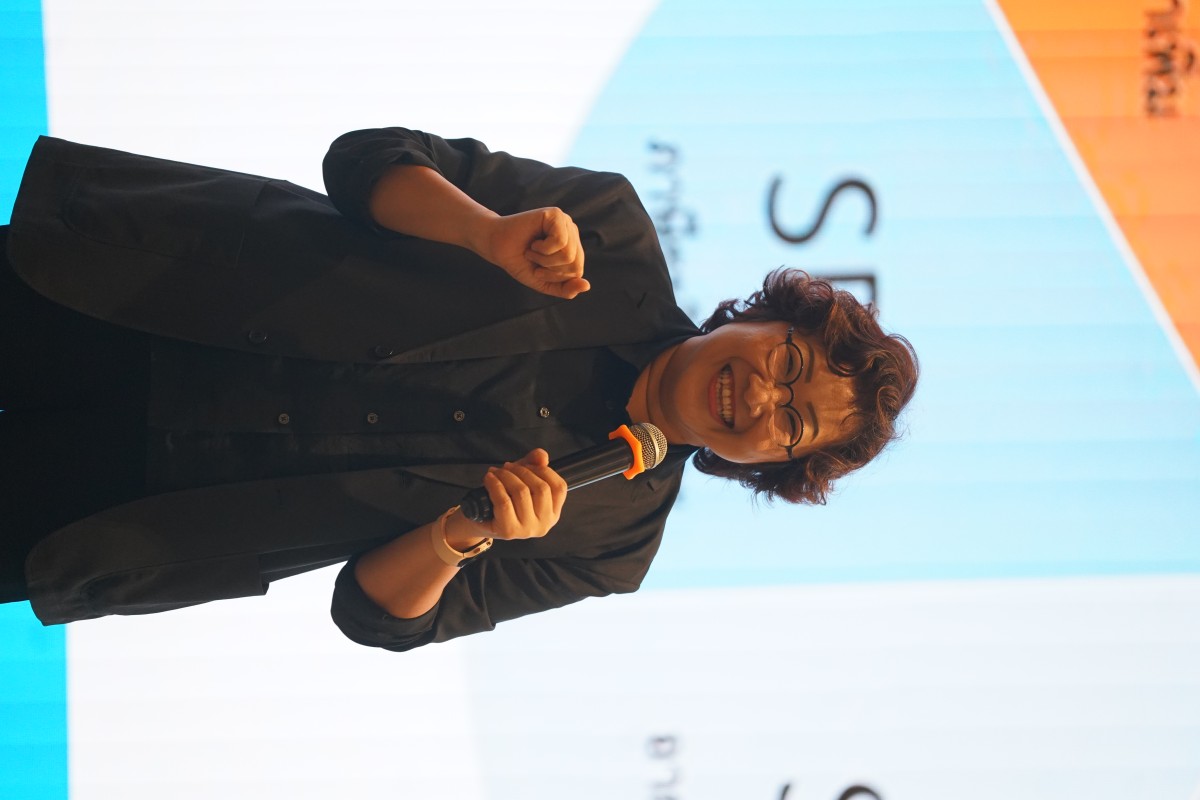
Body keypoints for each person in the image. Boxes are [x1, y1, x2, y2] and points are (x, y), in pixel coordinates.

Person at [0, 127, 918, 651]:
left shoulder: (614, 544)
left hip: (155, 503)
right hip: (143, 293)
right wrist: (484, 231)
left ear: (765, 465)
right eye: (789, 366)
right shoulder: (611, 233)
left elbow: (376, 614)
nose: (761, 399)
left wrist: (461, 537)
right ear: (762, 317)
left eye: (791, 427)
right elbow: (365, 161)